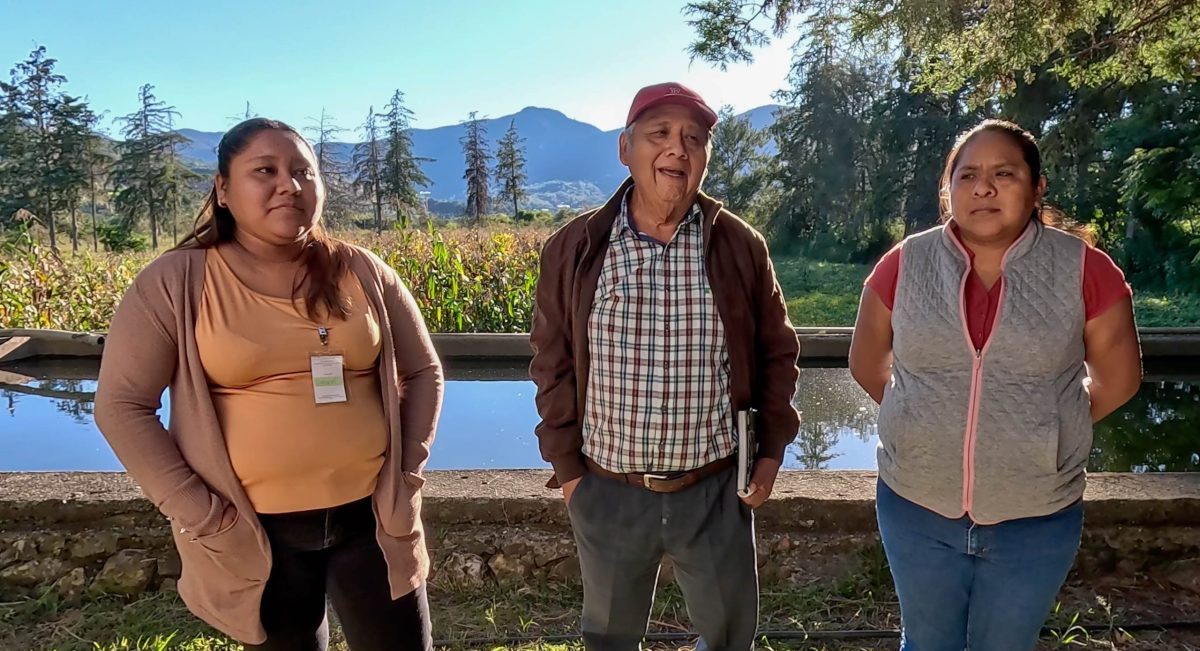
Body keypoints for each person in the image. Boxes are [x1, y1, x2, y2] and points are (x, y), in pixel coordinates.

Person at [94, 118, 443, 651]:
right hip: (254, 532)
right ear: (224, 190)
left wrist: (408, 473)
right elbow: (122, 405)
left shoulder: (362, 271)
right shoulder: (176, 282)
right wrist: (197, 510)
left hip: (372, 519)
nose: (290, 185)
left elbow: (422, 372)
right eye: (266, 170)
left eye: (304, 171)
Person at [848, 118, 1142, 651]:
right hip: (915, 506)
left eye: (1004, 173)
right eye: (968, 175)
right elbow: (868, 364)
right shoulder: (903, 264)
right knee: (927, 643)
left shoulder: (1086, 270)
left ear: (1036, 189)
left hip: (1036, 516)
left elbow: (1118, 380)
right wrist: (921, 423)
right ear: (948, 189)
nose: (983, 187)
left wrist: (1046, 432)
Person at [529, 82, 801, 651]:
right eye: (660, 135)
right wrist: (571, 474)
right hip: (607, 490)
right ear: (625, 148)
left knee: (728, 634)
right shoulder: (574, 248)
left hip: (714, 492)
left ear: (703, 157)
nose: (677, 149)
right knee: (608, 636)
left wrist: (770, 454)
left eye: (693, 139)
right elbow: (551, 363)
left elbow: (778, 353)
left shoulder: (739, 246)